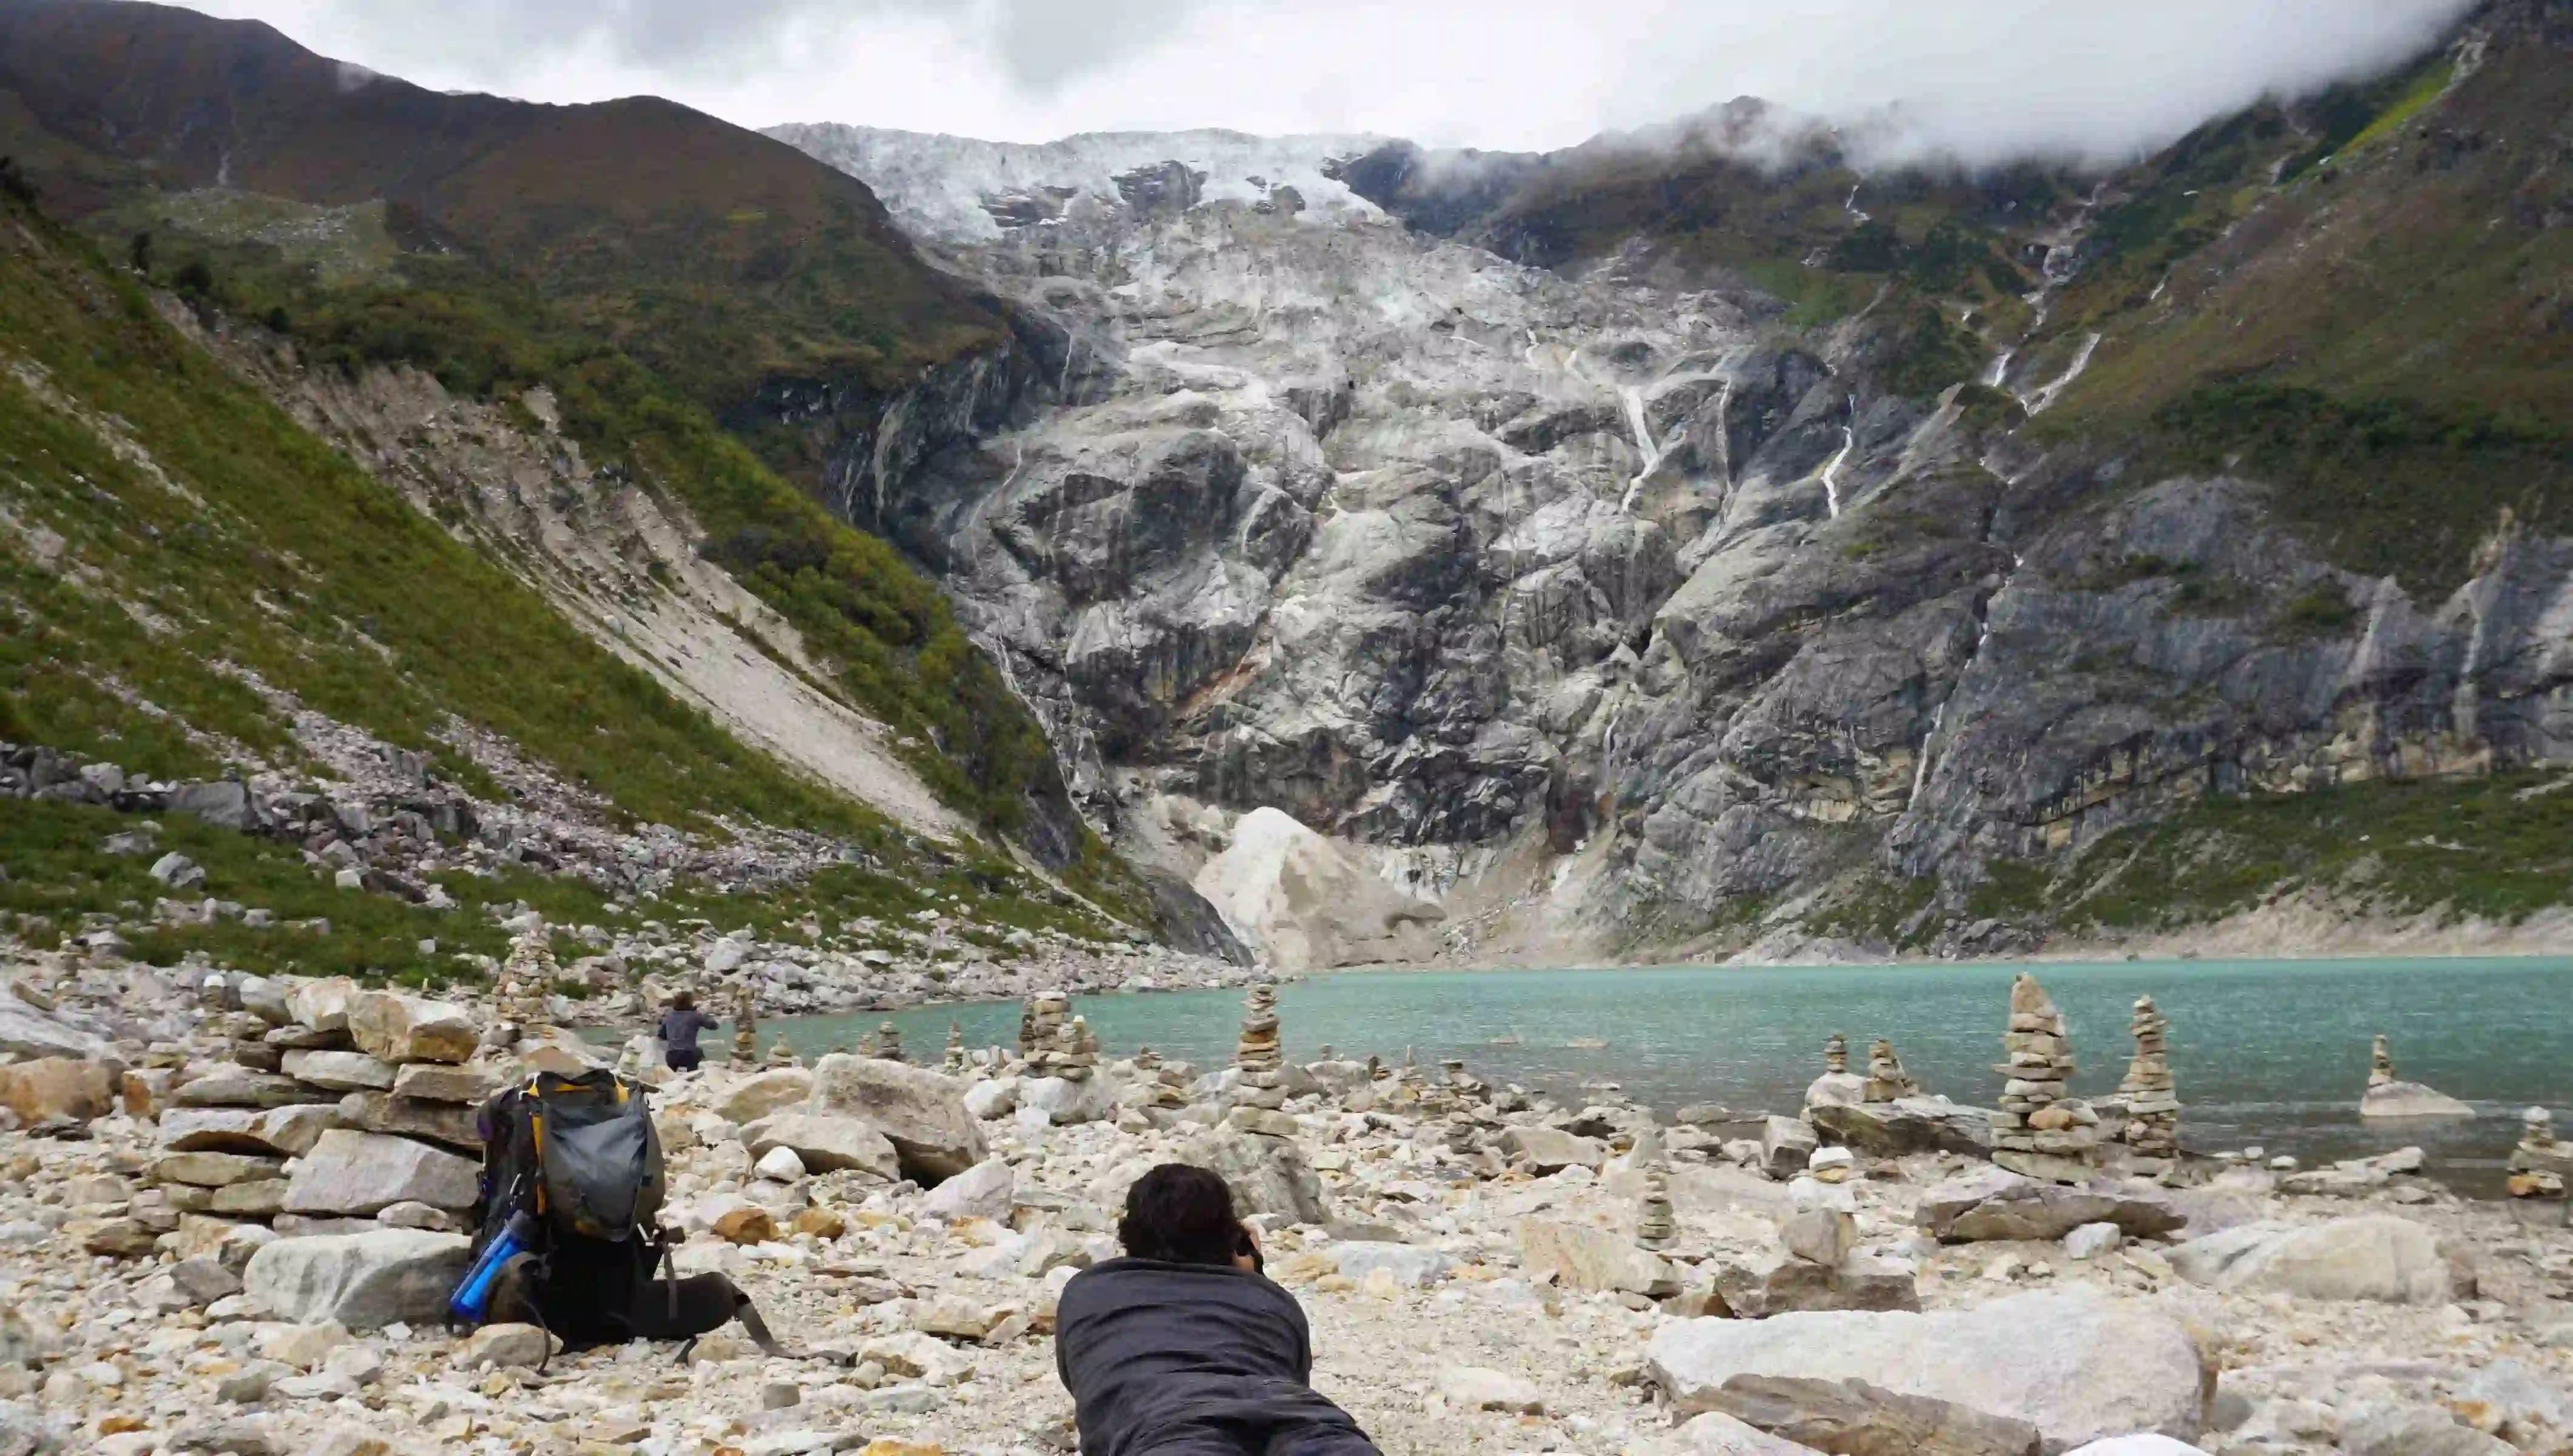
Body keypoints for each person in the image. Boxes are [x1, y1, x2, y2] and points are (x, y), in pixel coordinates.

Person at [1055, 1164, 1380, 1456]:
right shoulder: (1273, 1301)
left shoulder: (1088, 1292)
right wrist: (1255, 1275)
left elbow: (1083, 1382)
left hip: (1163, 1424)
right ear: (1233, 1235)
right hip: (1302, 1416)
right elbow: (1291, 1373)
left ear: (1129, 1232)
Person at [656, 992, 718, 1073]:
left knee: (672, 1077)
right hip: (689, 1055)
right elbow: (714, 1026)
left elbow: (661, 1036)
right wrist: (705, 1014)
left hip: (672, 1055)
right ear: (690, 1002)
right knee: (699, 1053)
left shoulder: (669, 1016)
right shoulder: (695, 1016)